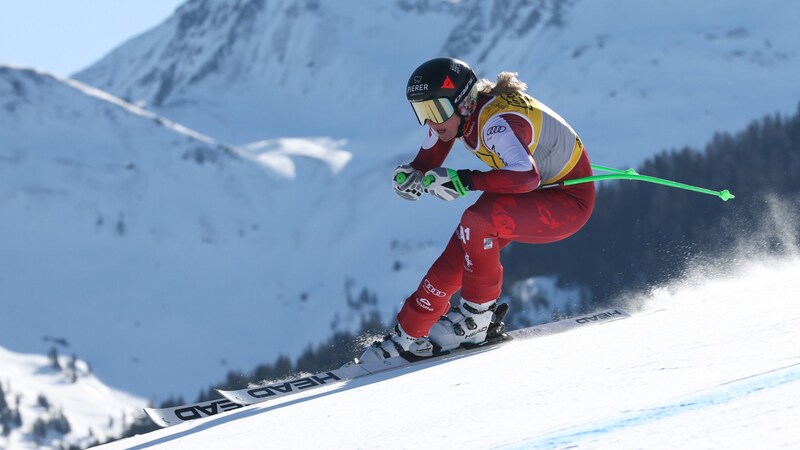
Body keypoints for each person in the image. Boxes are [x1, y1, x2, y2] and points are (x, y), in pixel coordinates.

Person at [359, 57, 596, 363]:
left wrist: (464, 180)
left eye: (437, 110)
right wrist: (412, 174)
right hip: (532, 192)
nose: (432, 122)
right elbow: (430, 156)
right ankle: (408, 335)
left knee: (478, 221)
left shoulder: (496, 124)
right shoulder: (455, 117)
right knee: (461, 247)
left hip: (566, 202)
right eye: (423, 112)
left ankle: (477, 318)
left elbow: (526, 175)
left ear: (464, 102)